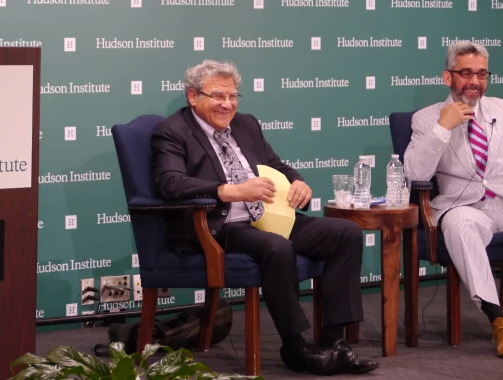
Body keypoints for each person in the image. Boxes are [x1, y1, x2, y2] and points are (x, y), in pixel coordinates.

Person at [151, 59, 379, 375]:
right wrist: (231, 191)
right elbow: (169, 183)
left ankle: (333, 343)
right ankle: (295, 347)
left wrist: (298, 181)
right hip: (221, 225)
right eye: (217, 96)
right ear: (193, 96)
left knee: (346, 233)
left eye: (232, 96)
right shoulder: (172, 132)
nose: (227, 104)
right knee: (277, 247)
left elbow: (276, 164)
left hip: (271, 216)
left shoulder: (246, 125)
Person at [404, 41, 503, 357]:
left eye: (481, 74)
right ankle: (499, 320)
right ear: (448, 77)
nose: (474, 82)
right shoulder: (425, 119)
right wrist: (442, 128)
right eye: (466, 73)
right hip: (467, 208)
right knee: (459, 224)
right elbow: (415, 173)